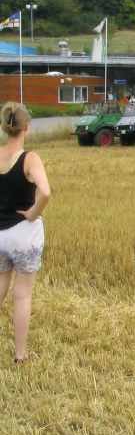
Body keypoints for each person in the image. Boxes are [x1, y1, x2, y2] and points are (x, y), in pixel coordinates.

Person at [0, 102, 51, 364]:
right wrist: (32, 213)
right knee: (22, 295)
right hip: (23, 236)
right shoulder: (30, 158)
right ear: (26, 127)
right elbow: (46, 192)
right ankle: (20, 355)